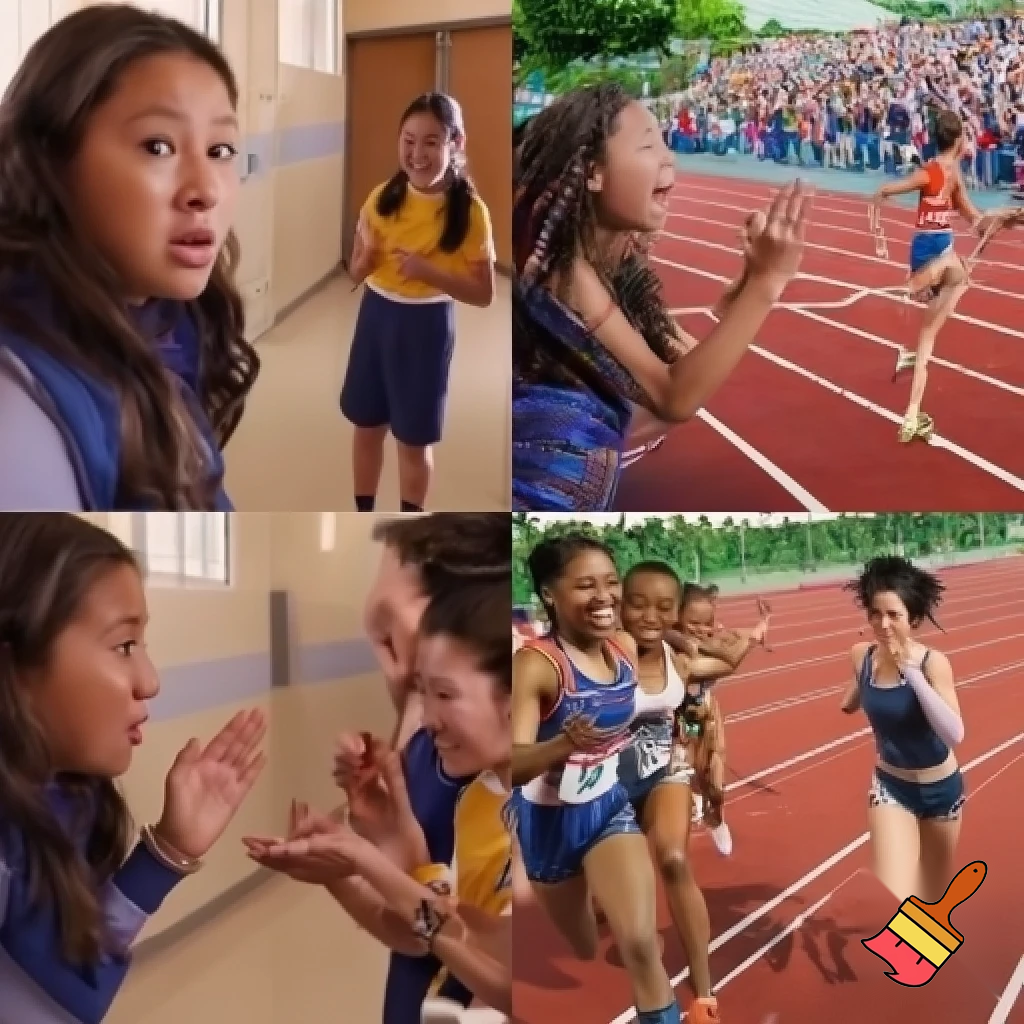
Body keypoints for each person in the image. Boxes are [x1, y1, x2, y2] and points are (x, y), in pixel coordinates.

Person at [0, 513, 266, 1022]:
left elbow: (77, 969)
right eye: (124, 646)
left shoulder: (68, 798)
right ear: (14, 666)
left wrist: (169, 851)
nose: (150, 680)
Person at [0, 6, 258, 511]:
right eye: (158, 146)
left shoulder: (172, 319)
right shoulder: (18, 406)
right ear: (50, 161)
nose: (206, 190)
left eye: (221, 150)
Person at [254, 513, 508, 1024]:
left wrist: (366, 861)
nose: (425, 717)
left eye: (443, 693)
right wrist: (351, 868)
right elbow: (430, 929)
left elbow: (504, 979)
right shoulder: (480, 799)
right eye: (422, 691)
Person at [512, 81, 811, 510]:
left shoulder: (617, 263)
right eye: (648, 146)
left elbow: (685, 363)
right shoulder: (564, 273)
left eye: (665, 143)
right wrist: (765, 283)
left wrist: (741, 298)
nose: (669, 157)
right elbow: (674, 397)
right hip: (541, 494)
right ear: (593, 173)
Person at [509, 535, 680, 1024]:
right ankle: (590, 903)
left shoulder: (622, 647)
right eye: (586, 586)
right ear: (549, 593)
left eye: (610, 582)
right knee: (585, 945)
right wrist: (562, 745)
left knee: (640, 944)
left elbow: (668, 641)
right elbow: (511, 763)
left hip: (609, 807)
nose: (604, 597)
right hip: (549, 826)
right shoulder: (537, 666)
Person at [341, 93, 496, 514]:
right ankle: (363, 513)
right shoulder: (381, 199)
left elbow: (484, 295)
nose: (417, 154)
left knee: (412, 441)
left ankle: (411, 520)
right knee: (366, 426)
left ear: (456, 143)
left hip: (427, 326)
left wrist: (430, 272)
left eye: (431, 142)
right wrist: (365, 260)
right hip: (376, 315)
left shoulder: (471, 213)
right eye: (408, 141)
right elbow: (356, 272)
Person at [618, 562, 744, 1024]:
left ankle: (704, 994)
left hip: (664, 771)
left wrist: (700, 639)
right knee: (614, 900)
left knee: (672, 859)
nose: (650, 616)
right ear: (620, 606)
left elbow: (730, 658)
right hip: (606, 782)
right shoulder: (605, 655)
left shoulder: (681, 663)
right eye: (638, 605)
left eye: (663, 608)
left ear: (675, 612)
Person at [840, 556, 965, 904]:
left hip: (942, 790)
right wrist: (853, 696)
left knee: (931, 894)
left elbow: (955, 734)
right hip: (891, 785)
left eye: (894, 615)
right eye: (875, 614)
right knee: (896, 876)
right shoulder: (861, 656)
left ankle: (917, 940)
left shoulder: (932, 664)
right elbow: (851, 698)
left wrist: (910, 672)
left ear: (914, 619)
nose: (883, 624)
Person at [870, 109, 984, 443]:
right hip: (932, 250)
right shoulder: (936, 172)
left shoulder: (946, 173)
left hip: (934, 246)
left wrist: (998, 223)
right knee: (934, 323)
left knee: (949, 297)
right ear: (958, 140)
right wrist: (883, 195)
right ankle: (912, 412)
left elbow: (971, 215)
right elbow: (900, 187)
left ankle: (911, 360)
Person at [667, 585, 771, 856]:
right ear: (677, 618)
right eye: (693, 623)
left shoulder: (707, 641)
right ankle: (692, 800)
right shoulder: (677, 656)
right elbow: (730, 661)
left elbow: (736, 638)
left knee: (715, 783)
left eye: (707, 623)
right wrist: (751, 638)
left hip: (709, 716)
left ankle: (715, 816)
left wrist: (763, 623)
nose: (701, 629)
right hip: (682, 722)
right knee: (686, 773)